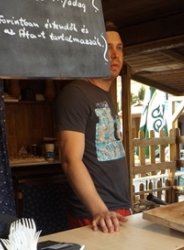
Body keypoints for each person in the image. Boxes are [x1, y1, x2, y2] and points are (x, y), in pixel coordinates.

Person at [54, 21, 131, 233]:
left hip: (116, 208)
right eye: (107, 47)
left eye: (119, 47)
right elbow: (70, 160)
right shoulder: (75, 94)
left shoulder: (105, 95)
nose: (115, 55)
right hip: (96, 214)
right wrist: (99, 210)